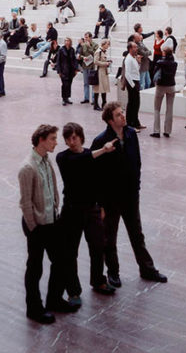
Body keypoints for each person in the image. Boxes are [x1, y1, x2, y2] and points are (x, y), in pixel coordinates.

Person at [91, 102, 167, 287]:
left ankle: (147, 269)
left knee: (137, 234)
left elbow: (137, 162)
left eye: (122, 112)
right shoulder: (101, 141)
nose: (123, 116)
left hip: (130, 196)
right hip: (110, 199)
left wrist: (136, 188)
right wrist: (100, 204)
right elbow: (95, 175)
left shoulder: (131, 133)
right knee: (110, 237)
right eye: (118, 115)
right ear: (110, 120)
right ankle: (113, 273)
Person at [56, 122, 118, 304]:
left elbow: (97, 183)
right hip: (72, 211)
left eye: (74, 137)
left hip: (91, 209)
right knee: (70, 252)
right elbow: (81, 160)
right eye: (68, 138)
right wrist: (103, 151)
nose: (71, 141)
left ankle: (98, 281)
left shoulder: (90, 156)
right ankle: (73, 291)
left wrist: (102, 206)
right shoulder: (63, 157)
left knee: (98, 247)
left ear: (81, 137)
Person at [18, 124, 72, 324]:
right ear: (41, 140)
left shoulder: (46, 161)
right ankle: (34, 308)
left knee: (60, 261)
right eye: (52, 139)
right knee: (35, 268)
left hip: (52, 222)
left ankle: (54, 299)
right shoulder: (28, 167)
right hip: (38, 226)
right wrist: (34, 228)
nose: (56, 142)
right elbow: (25, 203)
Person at [150, 46, 177, 138]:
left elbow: (155, 73)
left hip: (161, 86)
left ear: (164, 53)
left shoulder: (160, 62)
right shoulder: (174, 63)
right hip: (171, 86)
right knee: (170, 109)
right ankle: (167, 131)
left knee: (157, 109)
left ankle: (156, 131)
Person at [122, 41, 142, 129]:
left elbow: (136, 70)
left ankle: (136, 122)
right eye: (135, 47)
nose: (136, 48)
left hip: (136, 81)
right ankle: (130, 124)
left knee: (136, 103)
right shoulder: (128, 59)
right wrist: (133, 85)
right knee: (132, 103)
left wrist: (139, 62)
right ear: (130, 49)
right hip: (132, 82)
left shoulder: (133, 58)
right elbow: (127, 74)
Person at [55, 37, 78, 106]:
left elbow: (74, 60)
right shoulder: (61, 50)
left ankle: (67, 98)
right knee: (64, 85)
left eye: (68, 41)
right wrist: (59, 71)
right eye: (65, 41)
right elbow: (58, 61)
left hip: (71, 70)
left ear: (70, 42)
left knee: (69, 84)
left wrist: (76, 69)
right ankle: (63, 99)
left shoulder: (72, 50)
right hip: (63, 70)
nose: (66, 42)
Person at [77, 33, 97, 104]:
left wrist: (90, 47)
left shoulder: (95, 45)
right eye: (85, 38)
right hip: (85, 65)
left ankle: (94, 99)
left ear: (91, 38)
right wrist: (82, 57)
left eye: (87, 37)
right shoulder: (83, 45)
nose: (85, 39)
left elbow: (96, 54)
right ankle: (86, 98)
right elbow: (80, 54)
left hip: (92, 66)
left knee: (93, 83)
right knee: (86, 83)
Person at [93, 39, 112, 111]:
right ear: (103, 44)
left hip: (104, 71)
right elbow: (95, 61)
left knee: (104, 88)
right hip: (100, 71)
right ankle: (96, 104)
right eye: (107, 44)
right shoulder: (98, 52)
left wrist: (107, 62)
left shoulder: (104, 52)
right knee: (98, 88)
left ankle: (104, 103)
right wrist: (105, 63)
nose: (108, 46)